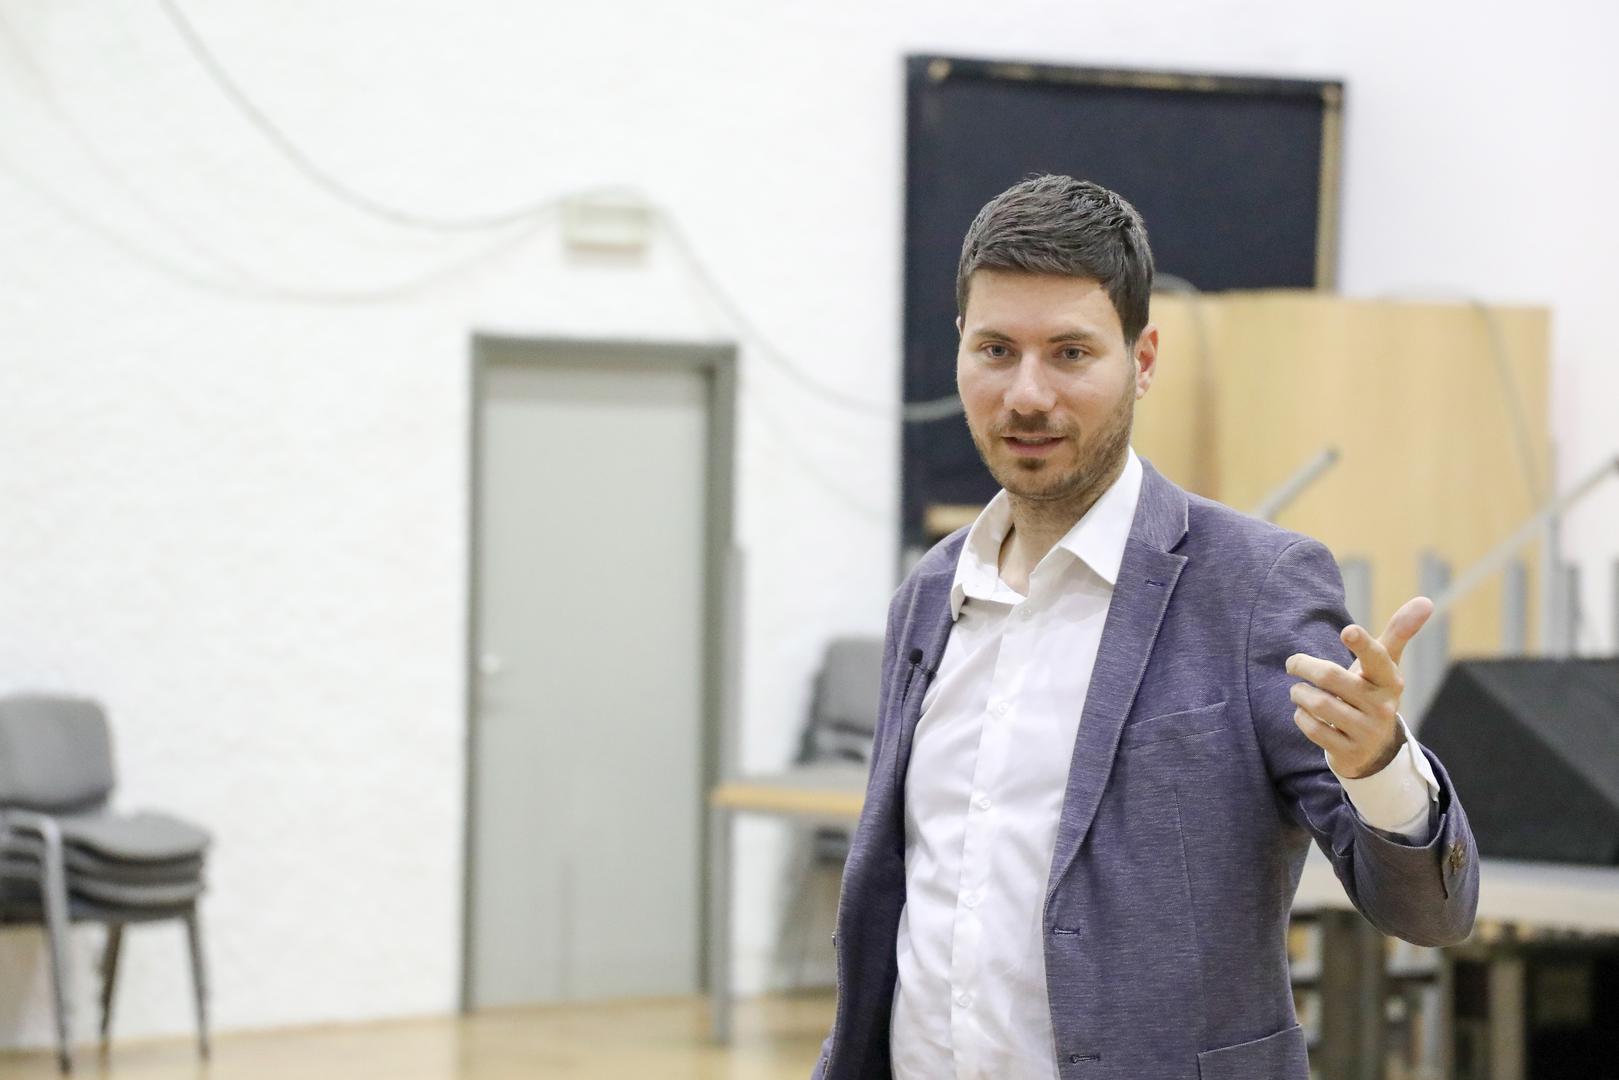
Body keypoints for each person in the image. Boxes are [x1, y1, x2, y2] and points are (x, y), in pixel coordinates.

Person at [811, 175, 1479, 1080]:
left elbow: (1431, 913)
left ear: (1144, 358)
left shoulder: (1252, 587)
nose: (1026, 395)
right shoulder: (931, 595)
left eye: (1070, 353)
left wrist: (1379, 768)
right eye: (996, 350)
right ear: (959, 349)